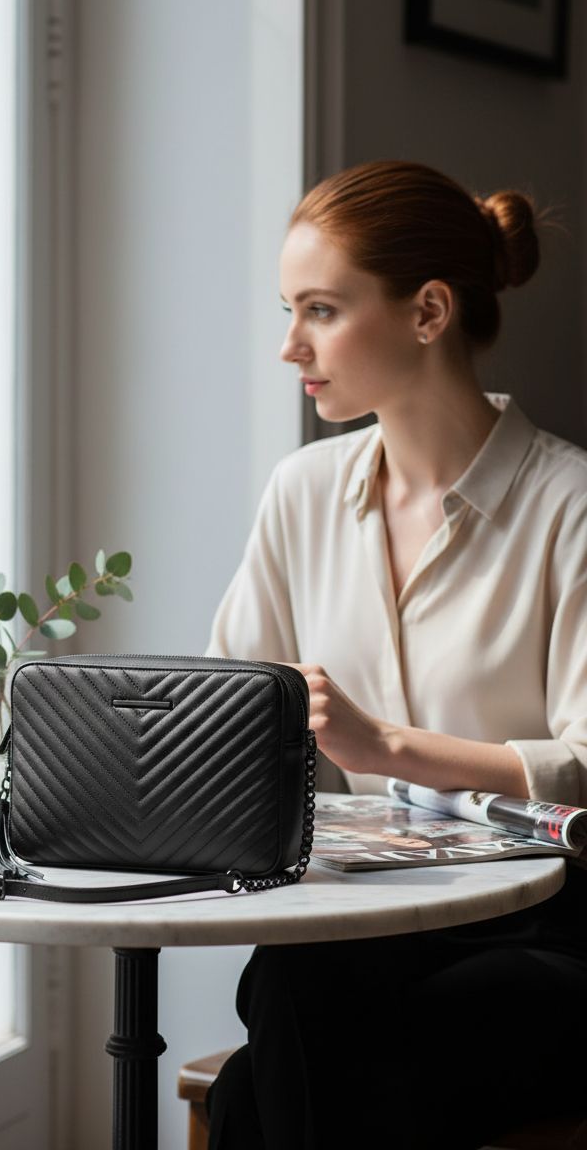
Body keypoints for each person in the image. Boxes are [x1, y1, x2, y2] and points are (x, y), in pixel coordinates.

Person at [203, 160, 587, 1150]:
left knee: (262, 1088)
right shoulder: (300, 493)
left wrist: (388, 750)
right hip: (358, 923)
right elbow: (226, 706)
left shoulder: (569, 508)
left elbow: (585, 767)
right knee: (295, 987)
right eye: (290, 310)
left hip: (550, 924)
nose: (290, 344)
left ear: (426, 311)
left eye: (320, 311)